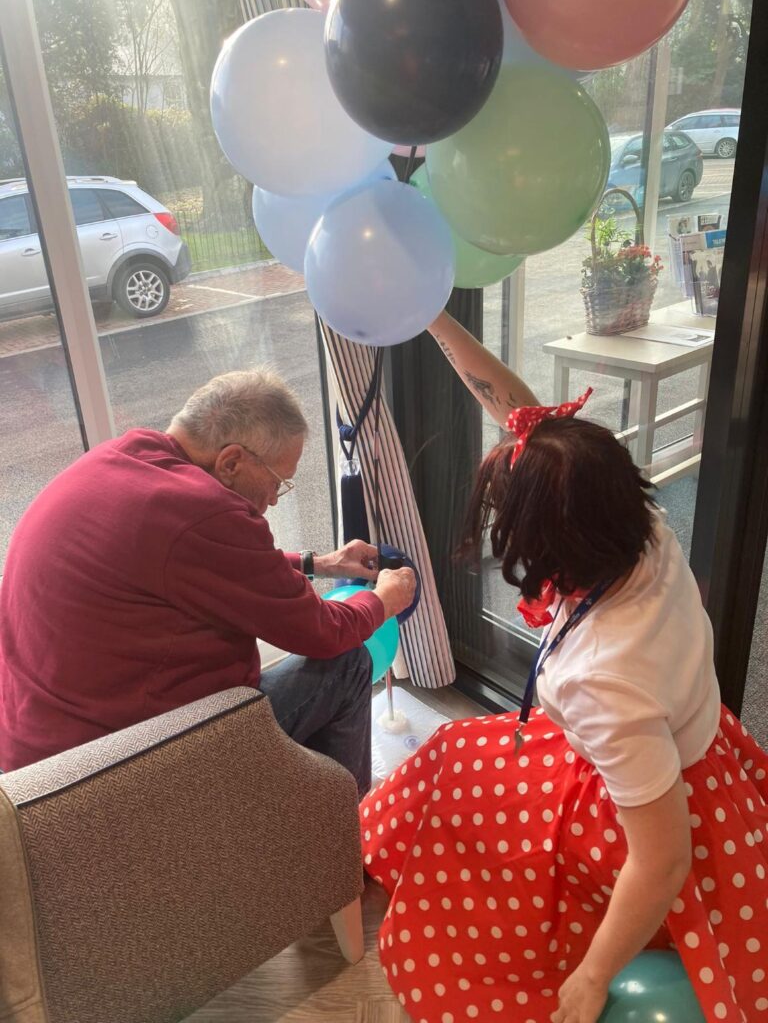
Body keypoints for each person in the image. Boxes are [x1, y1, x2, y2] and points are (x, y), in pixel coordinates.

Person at [360, 312, 768, 1023]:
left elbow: (664, 860)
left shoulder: (605, 679)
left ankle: (479, 927)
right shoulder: (640, 532)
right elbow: (527, 422)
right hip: (686, 752)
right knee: (455, 748)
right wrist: (432, 319)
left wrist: (592, 976)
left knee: (466, 788)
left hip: (641, 810)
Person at [0, 368, 415, 792]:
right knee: (345, 665)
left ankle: (287, 806)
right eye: (277, 481)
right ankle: (338, 839)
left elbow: (208, 564)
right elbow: (324, 632)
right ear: (231, 460)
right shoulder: (206, 512)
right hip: (112, 771)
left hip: (36, 761)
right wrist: (384, 599)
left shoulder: (120, 459)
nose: (274, 498)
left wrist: (322, 563)